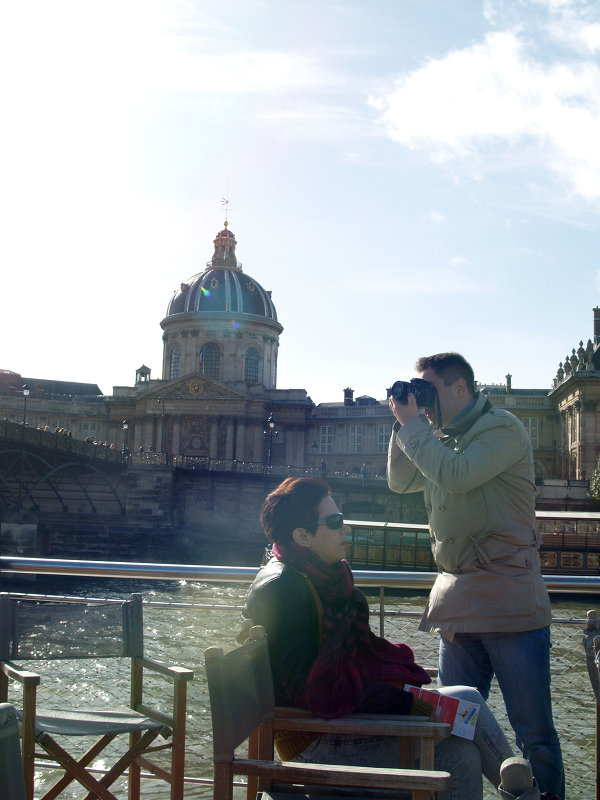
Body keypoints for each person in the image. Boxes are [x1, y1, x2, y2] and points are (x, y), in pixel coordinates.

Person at [243, 476, 515, 800]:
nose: (346, 528)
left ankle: (522, 792)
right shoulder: (284, 590)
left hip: (332, 726)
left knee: (462, 756)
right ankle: (526, 793)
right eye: (335, 521)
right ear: (302, 536)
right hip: (315, 743)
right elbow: (312, 691)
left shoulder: (315, 578)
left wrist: (400, 696)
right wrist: (402, 703)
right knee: (469, 702)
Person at [386, 352, 564, 799]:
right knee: (455, 725)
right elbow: (399, 482)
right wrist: (402, 421)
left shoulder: (501, 428)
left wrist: (415, 426)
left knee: (534, 735)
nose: (424, 402)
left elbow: (458, 475)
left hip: (509, 603)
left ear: (460, 388)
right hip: (457, 602)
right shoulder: (437, 437)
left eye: (430, 391)